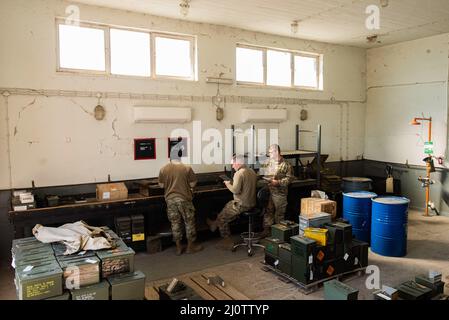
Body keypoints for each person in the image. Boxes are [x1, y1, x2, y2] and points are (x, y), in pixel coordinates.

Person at [207, 155, 257, 250]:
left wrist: (228, 184)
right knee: (226, 208)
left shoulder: (239, 173)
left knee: (222, 218)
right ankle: (214, 224)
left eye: (233, 164)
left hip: (241, 205)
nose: (232, 166)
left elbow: (235, 191)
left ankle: (227, 241)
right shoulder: (252, 171)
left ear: (238, 162)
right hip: (251, 204)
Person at [158, 150, 203, 255]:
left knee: (175, 223)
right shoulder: (187, 168)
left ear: (170, 157)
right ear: (180, 157)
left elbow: (161, 185)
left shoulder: (164, 169)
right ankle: (190, 247)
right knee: (189, 222)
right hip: (184, 199)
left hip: (170, 200)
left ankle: (178, 248)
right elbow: (192, 184)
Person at [259, 144, 294, 238]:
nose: (269, 154)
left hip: (280, 194)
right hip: (269, 191)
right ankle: (266, 230)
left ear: (276, 152)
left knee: (279, 214)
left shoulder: (286, 164)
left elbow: (290, 179)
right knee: (268, 211)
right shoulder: (268, 162)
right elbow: (262, 173)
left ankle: (278, 235)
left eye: (270, 152)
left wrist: (278, 182)